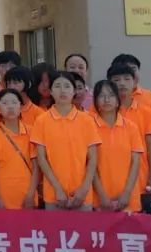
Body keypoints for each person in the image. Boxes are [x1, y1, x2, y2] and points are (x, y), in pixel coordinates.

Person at [31, 71, 101, 210]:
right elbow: (42, 159)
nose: (62, 90)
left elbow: (93, 158)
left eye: (67, 86)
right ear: (51, 91)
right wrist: (57, 189)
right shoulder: (42, 120)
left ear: (74, 91)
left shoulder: (87, 120)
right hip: (54, 194)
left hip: (82, 194)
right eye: (57, 86)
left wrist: (84, 189)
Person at [89, 80, 144, 212]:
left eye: (111, 95)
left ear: (118, 101)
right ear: (95, 101)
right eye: (101, 96)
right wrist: (102, 195)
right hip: (100, 199)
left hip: (128, 198)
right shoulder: (89, 126)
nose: (106, 99)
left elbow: (135, 162)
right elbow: (89, 164)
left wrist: (127, 193)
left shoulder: (131, 127)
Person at [108, 62, 151, 199]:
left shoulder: (146, 111)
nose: (122, 83)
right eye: (116, 80)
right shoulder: (99, 111)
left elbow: (150, 146)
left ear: (134, 82)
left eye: (126, 79)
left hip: (140, 178)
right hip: (109, 178)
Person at [0, 88, 39, 209]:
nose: (10, 107)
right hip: (4, 194)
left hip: (27, 192)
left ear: (21, 107)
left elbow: (36, 166)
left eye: (14, 102)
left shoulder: (31, 131)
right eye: (5, 103)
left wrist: (31, 193)